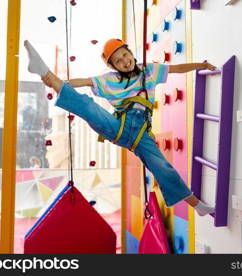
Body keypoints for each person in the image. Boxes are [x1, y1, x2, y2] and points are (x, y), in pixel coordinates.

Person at [24, 39, 216, 217]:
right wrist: (56, 83)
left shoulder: (150, 71)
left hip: (142, 134)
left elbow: (176, 68)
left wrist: (202, 65)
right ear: (113, 66)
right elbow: (83, 81)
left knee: (163, 168)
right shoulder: (111, 80)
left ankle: (198, 206)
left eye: (125, 55)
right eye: (118, 61)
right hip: (119, 127)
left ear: (130, 53)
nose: (124, 61)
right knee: (88, 106)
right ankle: (46, 73)